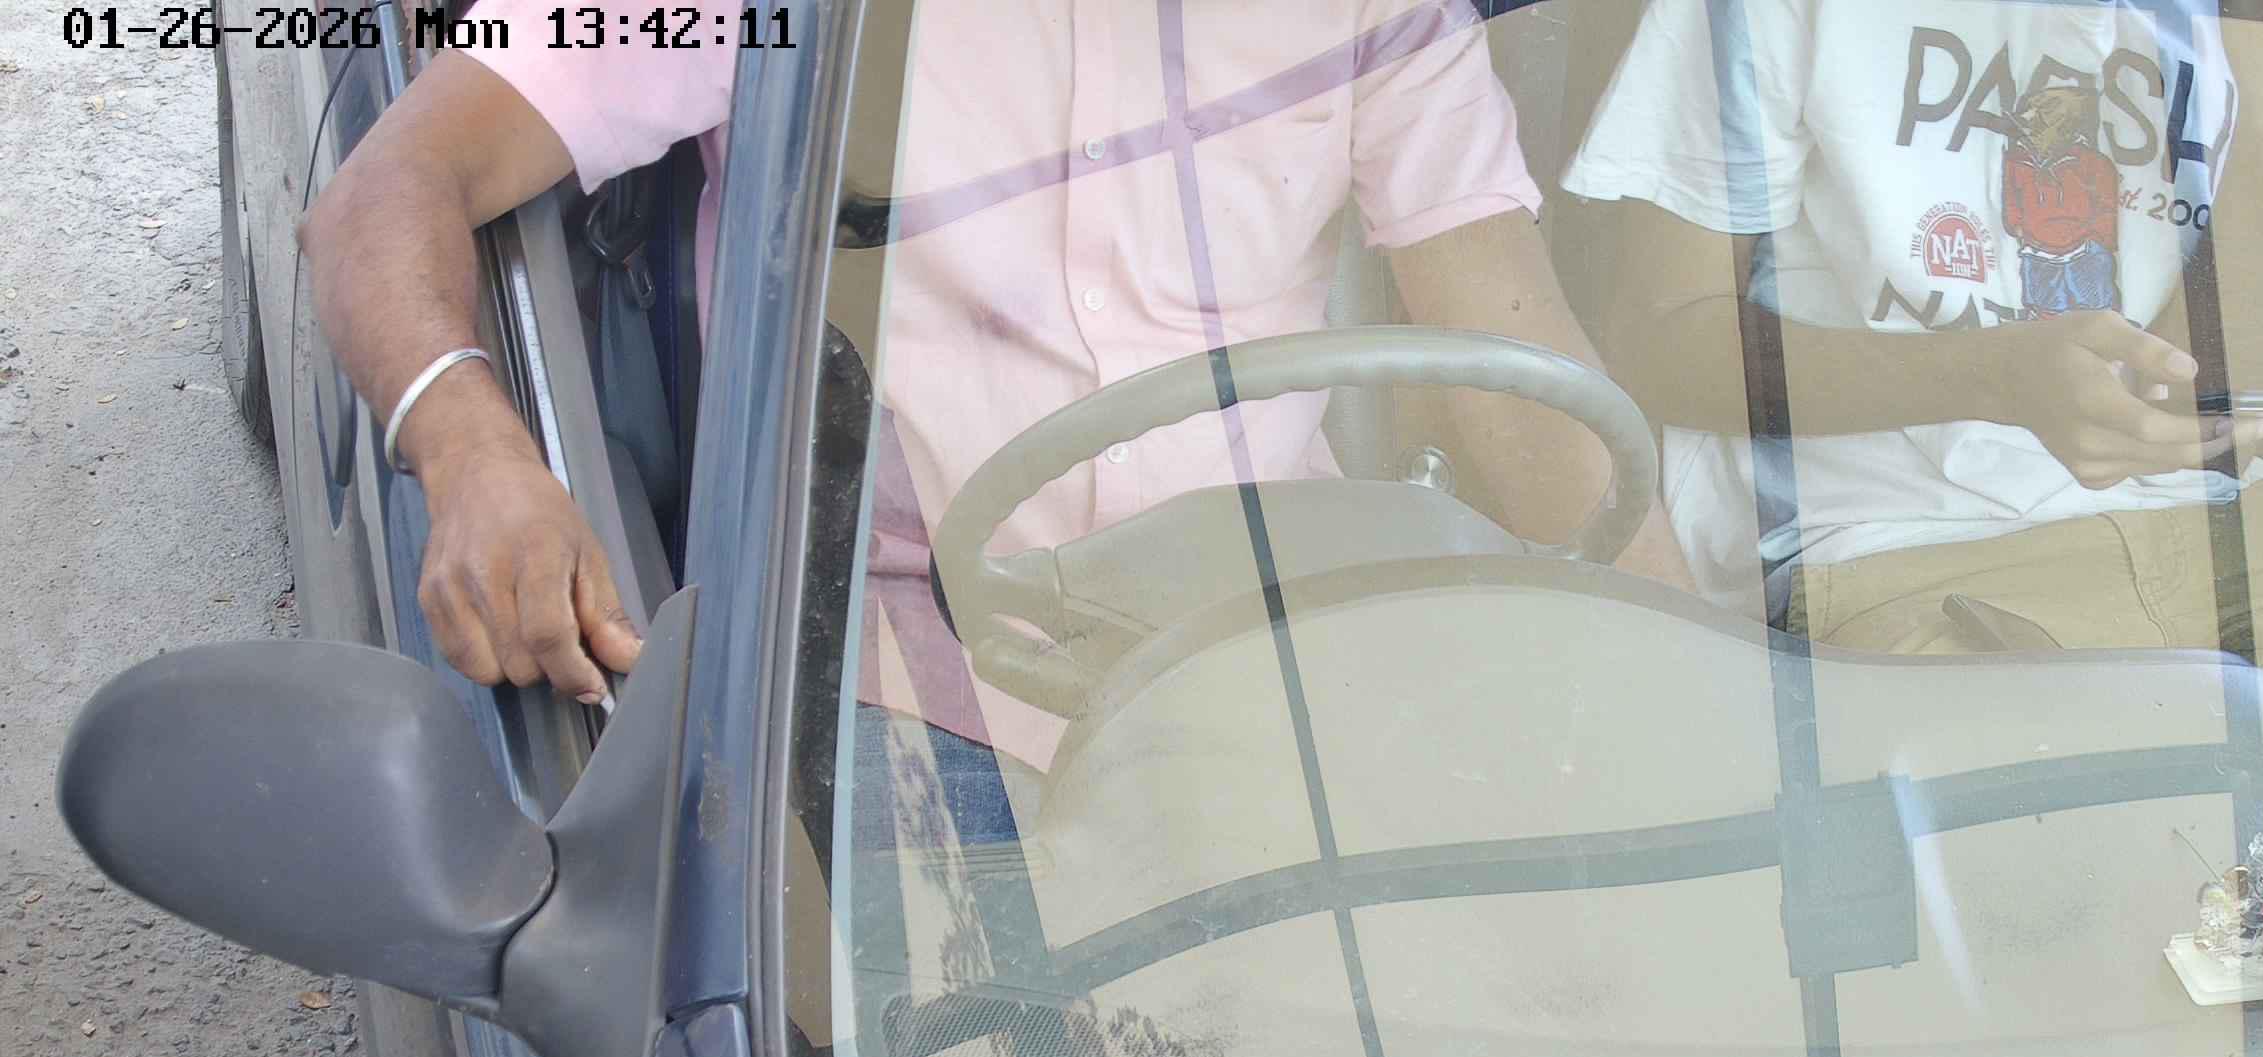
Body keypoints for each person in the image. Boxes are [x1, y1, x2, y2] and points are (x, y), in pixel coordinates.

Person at [302, 0, 1688, 744]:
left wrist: (1726, 706)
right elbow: (390, 186)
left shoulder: (1381, 14)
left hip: (1282, 667)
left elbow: (1528, 391)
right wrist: (473, 454)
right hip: (890, 693)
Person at [1561, 0, 2263, 766]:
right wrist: (1989, 375)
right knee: (2077, 897)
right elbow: (1658, 335)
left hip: (2241, 549)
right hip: (1890, 550)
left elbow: (2207, 398)